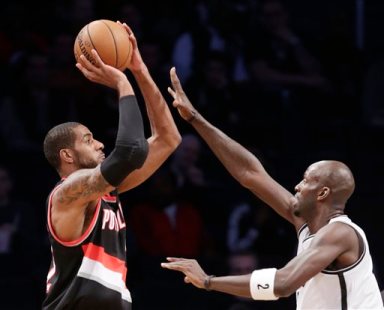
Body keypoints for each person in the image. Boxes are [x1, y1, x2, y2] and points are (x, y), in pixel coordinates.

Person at [161, 68, 384, 309]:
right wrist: (195, 118)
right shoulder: (308, 226)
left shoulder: (340, 232)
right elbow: (251, 174)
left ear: (323, 193)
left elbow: (283, 283)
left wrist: (208, 281)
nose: (297, 186)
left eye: (307, 180)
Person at [42, 23, 181, 310]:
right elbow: (129, 150)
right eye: (88, 139)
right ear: (67, 155)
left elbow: (168, 138)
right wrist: (122, 83)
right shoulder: (68, 194)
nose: (99, 144)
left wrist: (139, 69)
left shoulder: (107, 189)